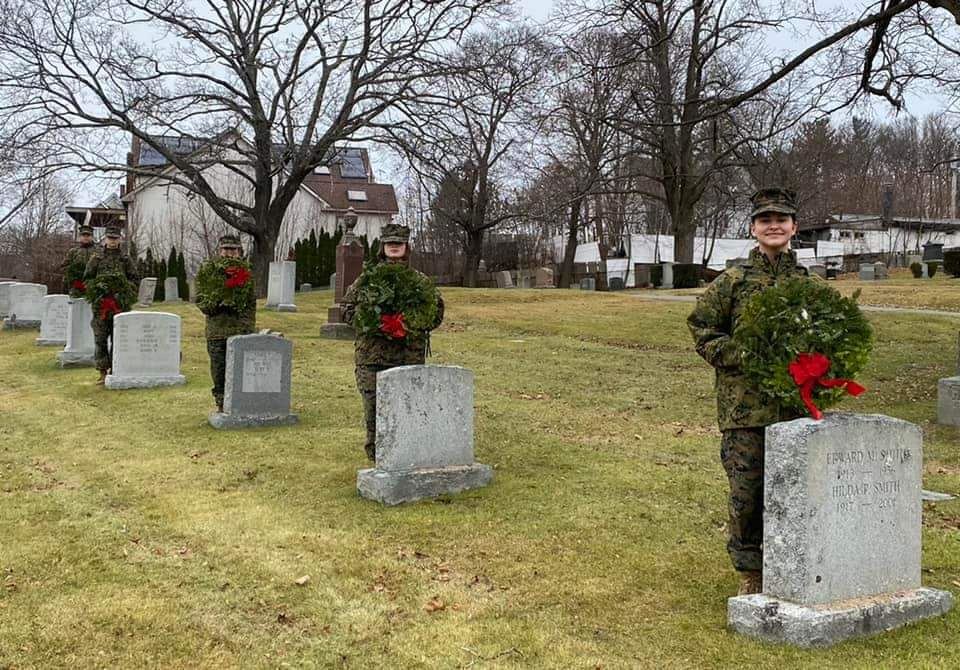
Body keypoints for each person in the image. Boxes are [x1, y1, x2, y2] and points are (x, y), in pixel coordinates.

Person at [687, 186, 812, 596]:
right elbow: (702, 329)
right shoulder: (734, 282)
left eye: (781, 219)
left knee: (795, 488)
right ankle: (750, 571)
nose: (773, 226)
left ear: (794, 226)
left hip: (795, 407)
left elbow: (827, 336)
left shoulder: (807, 284)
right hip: (745, 412)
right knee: (747, 493)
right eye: (765, 220)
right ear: (753, 228)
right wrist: (742, 352)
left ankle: (793, 563)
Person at [341, 224, 444, 461]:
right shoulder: (368, 279)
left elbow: (435, 314)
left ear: (406, 247)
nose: (394, 247)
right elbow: (347, 310)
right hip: (373, 358)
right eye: (390, 243)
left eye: (399, 243)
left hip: (409, 356)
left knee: (409, 408)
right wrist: (378, 324)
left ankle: (407, 455)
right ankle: (378, 459)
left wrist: (407, 323)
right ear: (383, 247)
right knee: (375, 410)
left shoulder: (420, 281)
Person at [196, 234, 256, 412]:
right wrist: (218, 302)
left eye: (233, 250)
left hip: (239, 330)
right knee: (219, 369)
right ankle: (221, 402)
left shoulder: (246, 273)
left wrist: (246, 327)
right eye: (226, 250)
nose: (229, 254)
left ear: (238, 251)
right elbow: (200, 299)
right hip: (217, 330)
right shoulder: (209, 271)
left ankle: (241, 401)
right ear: (219, 250)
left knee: (241, 370)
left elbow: (250, 303)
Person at [83, 226, 138, 384]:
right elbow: (87, 278)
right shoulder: (96, 258)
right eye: (110, 238)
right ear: (105, 239)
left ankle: (116, 367)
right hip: (101, 305)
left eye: (115, 238)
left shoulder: (125, 259)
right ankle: (102, 371)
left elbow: (135, 279)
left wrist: (125, 293)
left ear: (120, 239)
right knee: (100, 338)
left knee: (119, 338)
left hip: (120, 305)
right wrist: (97, 290)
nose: (113, 241)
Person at [62, 224, 96, 298]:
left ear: (92, 237)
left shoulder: (99, 251)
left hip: (93, 286)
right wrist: (73, 276)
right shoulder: (73, 251)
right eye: (84, 235)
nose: (86, 237)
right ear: (80, 237)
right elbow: (64, 267)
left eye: (88, 235)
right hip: (76, 287)